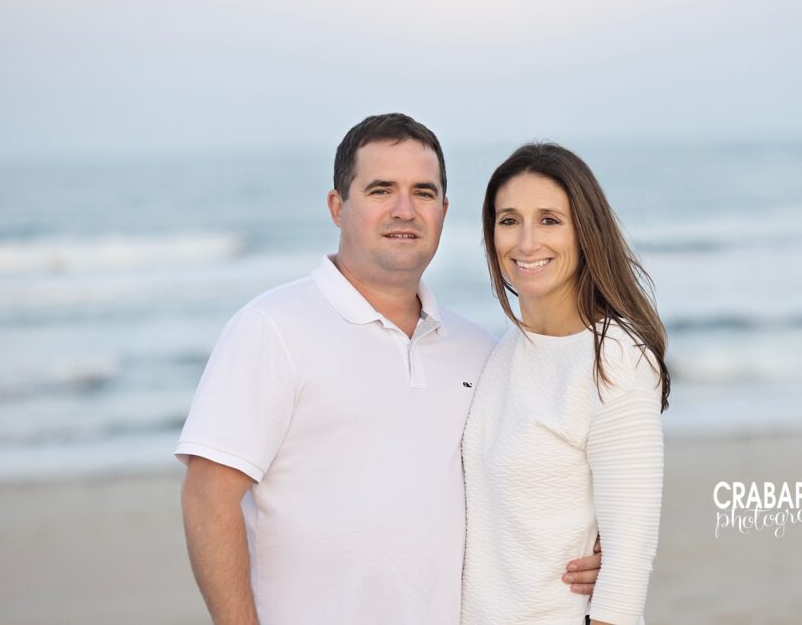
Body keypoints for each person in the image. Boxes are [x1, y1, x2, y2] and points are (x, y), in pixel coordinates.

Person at [176, 114, 602, 624]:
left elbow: (525, 475)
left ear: (443, 211)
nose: (405, 210)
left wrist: (588, 542)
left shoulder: (480, 349)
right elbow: (208, 498)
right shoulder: (272, 328)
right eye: (381, 190)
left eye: (423, 192)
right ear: (338, 207)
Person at [461, 143, 670, 625]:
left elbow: (627, 567)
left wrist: (610, 568)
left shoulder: (614, 358)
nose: (526, 242)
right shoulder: (505, 351)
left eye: (549, 220)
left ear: (585, 231)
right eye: (509, 220)